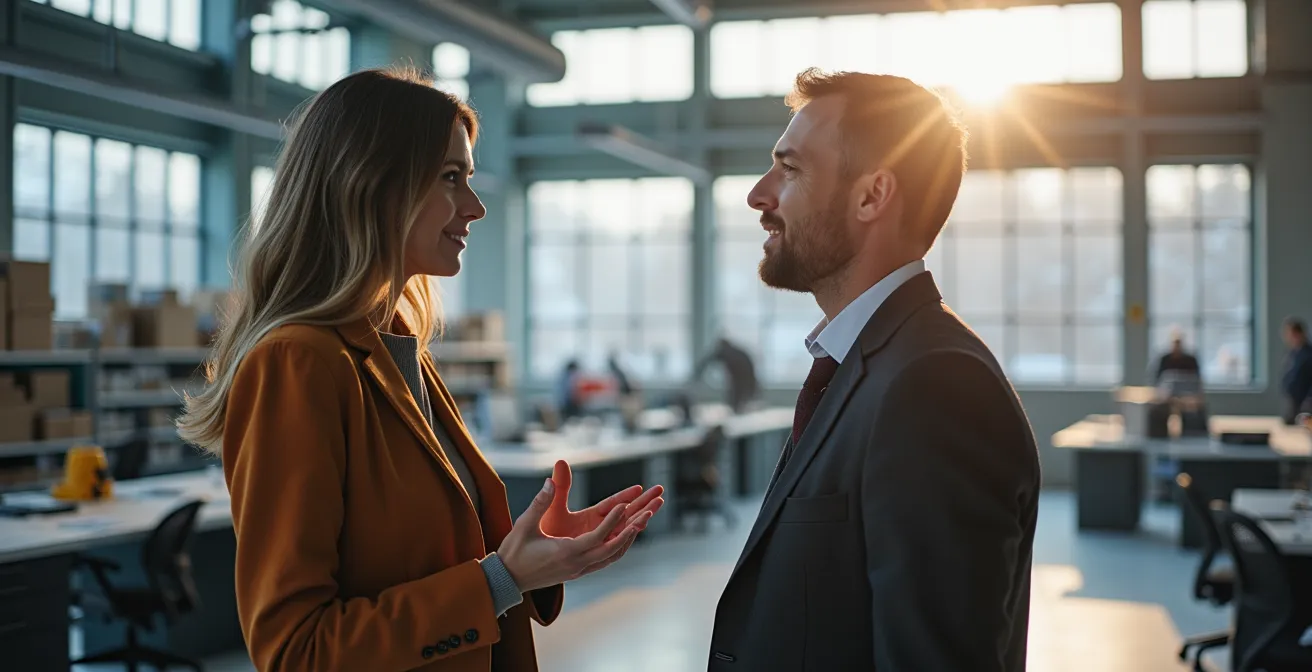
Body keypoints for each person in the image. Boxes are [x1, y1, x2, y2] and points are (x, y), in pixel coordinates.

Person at [176, 68, 664, 672]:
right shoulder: (297, 362)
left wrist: (537, 554)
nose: (476, 207)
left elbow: (440, 559)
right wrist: (502, 577)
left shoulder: (398, 349)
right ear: (371, 184)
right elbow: (296, 650)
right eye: (451, 178)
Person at [709, 69, 1040, 671]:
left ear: (871, 196)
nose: (759, 194)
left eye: (789, 169)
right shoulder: (868, 365)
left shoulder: (935, 387)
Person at [690, 336, 761, 412]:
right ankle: (738, 410)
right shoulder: (737, 353)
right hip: (744, 378)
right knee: (742, 397)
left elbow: (708, 360)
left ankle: (737, 410)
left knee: (740, 398)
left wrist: (698, 374)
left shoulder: (728, 352)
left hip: (743, 378)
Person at [1280, 316, 1312, 423]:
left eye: (1289, 333)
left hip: (1306, 405)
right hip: (1294, 403)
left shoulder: (1308, 354)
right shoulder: (1293, 354)